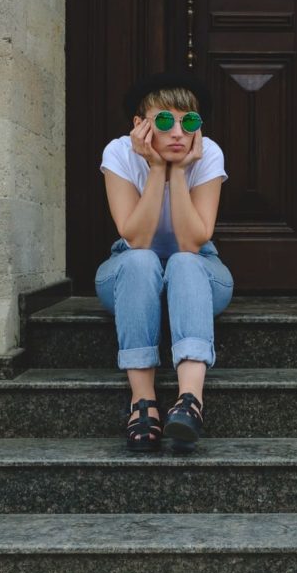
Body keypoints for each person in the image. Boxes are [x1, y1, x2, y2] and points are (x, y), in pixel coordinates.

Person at [94, 72, 233, 454]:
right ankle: (144, 403)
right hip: (129, 273)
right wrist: (157, 170)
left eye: (188, 122)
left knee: (184, 263)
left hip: (200, 272)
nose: (178, 132)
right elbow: (135, 237)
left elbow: (192, 241)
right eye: (165, 120)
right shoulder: (120, 153)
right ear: (140, 126)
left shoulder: (209, 154)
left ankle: (190, 402)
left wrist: (181, 170)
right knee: (141, 261)